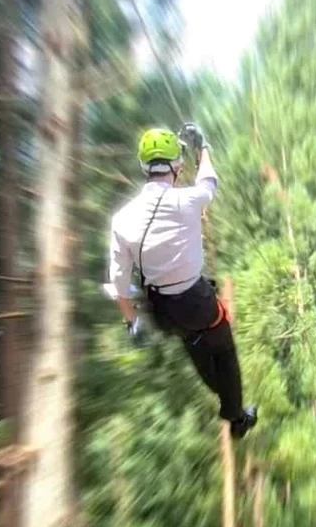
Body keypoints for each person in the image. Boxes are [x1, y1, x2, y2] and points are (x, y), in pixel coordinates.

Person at [105, 124, 258, 439]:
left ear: (144, 167)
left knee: (195, 341)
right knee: (224, 349)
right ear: (176, 166)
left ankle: (228, 402)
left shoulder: (121, 220)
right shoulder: (188, 200)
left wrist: (132, 323)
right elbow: (210, 181)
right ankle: (237, 420)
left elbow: (119, 282)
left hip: (162, 312)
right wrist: (204, 147)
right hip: (196, 302)